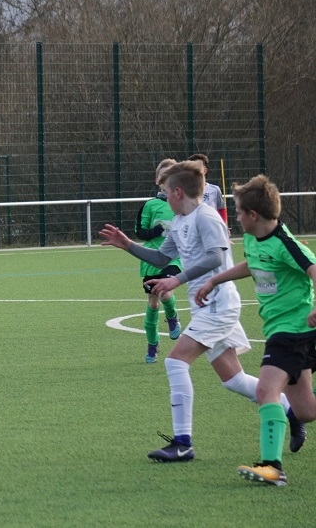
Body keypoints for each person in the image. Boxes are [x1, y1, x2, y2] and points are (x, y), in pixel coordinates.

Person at [99, 160, 304, 462]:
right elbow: (161, 257)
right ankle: (291, 412)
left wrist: (177, 279)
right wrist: (128, 245)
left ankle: (183, 442)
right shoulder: (180, 221)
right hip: (205, 307)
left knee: (175, 361)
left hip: (218, 306)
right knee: (233, 380)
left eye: (166, 192)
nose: (164, 198)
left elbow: (215, 257)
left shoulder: (206, 217)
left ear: (178, 193)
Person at [194, 175, 316, 486]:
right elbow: (252, 264)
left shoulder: (285, 243)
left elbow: (314, 269)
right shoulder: (253, 238)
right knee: (305, 410)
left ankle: (272, 468)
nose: (235, 218)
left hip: (293, 330)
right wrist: (215, 279)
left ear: (253, 215)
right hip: (281, 329)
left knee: (265, 391)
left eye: (237, 212)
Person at [134, 159, 183, 363]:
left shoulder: (183, 203)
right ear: (158, 181)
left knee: (165, 292)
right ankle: (152, 344)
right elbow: (139, 231)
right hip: (151, 259)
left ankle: (172, 317)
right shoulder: (150, 205)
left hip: (174, 259)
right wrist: (153, 231)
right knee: (153, 303)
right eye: (164, 176)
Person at [187, 153, 227, 224]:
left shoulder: (215, 190)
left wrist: (223, 225)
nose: (194, 171)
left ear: (205, 170)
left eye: (197, 168)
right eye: (191, 168)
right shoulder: (185, 190)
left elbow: (221, 209)